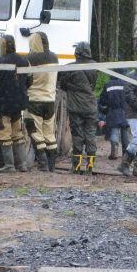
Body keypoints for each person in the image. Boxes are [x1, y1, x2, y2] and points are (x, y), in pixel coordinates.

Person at [0, 35, 32, 172]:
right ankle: (22, 165)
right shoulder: (25, 61)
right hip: (18, 104)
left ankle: (9, 165)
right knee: (18, 133)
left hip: (2, 104)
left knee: (4, 133)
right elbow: (30, 80)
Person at [57, 41, 100, 173]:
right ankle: (90, 167)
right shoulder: (96, 67)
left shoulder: (69, 68)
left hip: (75, 107)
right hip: (91, 106)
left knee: (77, 136)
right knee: (91, 135)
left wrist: (72, 87)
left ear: (77, 53)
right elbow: (93, 84)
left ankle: (76, 167)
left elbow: (62, 84)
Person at [25, 31, 60, 172]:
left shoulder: (29, 59)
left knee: (35, 132)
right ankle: (52, 165)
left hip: (34, 100)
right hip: (50, 100)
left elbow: (27, 79)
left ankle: (42, 164)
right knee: (49, 133)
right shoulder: (54, 57)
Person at [98, 69, 131, 161]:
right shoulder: (127, 83)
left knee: (114, 132)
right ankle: (126, 154)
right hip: (125, 111)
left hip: (112, 111)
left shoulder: (108, 85)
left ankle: (114, 153)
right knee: (125, 134)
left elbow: (102, 100)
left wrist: (102, 113)